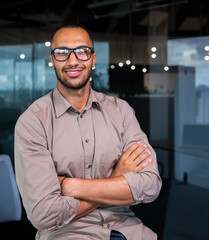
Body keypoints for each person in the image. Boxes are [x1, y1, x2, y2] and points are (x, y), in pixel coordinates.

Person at [14, 24, 162, 240]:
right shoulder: (33, 122)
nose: (73, 61)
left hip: (128, 230)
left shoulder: (121, 111)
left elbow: (150, 185)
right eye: (62, 52)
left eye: (82, 51)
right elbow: (43, 214)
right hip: (66, 233)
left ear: (93, 59)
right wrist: (116, 178)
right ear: (52, 59)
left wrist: (69, 185)